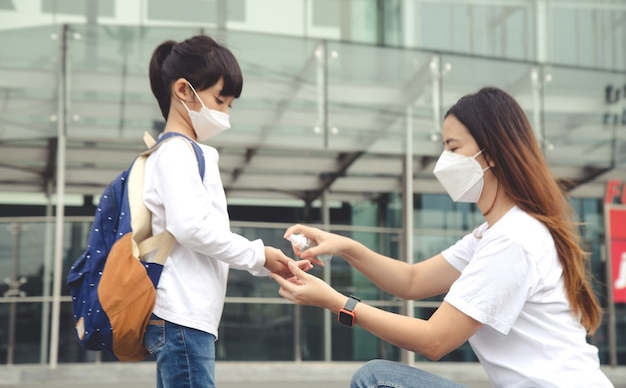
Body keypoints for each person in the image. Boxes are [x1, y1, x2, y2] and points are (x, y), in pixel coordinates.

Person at [272, 87, 614, 388]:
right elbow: (412, 279)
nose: (444, 160)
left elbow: (435, 340)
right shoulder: (493, 234)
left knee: (377, 380)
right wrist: (346, 246)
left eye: (453, 147)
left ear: (491, 153)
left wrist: (337, 302)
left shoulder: (514, 239)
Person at [144, 34, 311, 388]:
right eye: (220, 100)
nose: (224, 113)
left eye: (229, 104)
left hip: (184, 320)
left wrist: (264, 260)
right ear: (183, 91)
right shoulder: (177, 152)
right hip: (182, 319)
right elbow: (192, 228)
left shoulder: (180, 152)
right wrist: (258, 256)